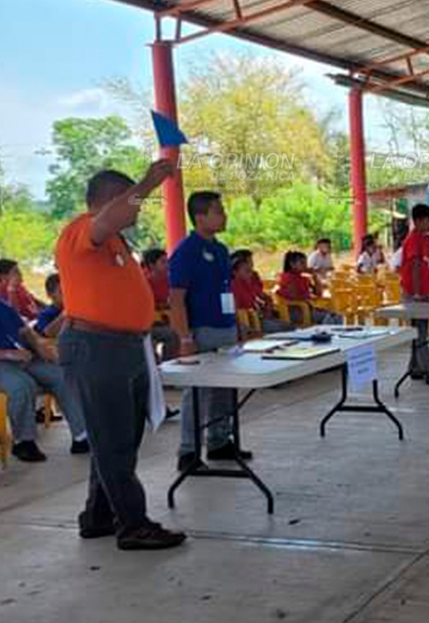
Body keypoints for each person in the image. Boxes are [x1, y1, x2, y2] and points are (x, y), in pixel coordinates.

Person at [56, 161, 187, 549]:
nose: (139, 208)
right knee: (114, 441)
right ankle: (133, 525)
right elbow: (114, 216)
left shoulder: (114, 243)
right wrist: (151, 179)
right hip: (97, 348)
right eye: (133, 201)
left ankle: (98, 516)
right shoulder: (81, 229)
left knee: (117, 439)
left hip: (124, 347)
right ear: (111, 200)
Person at [168, 191, 247, 473]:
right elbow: (176, 299)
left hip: (224, 327)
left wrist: (235, 324)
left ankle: (219, 440)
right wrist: (185, 337)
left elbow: (226, 290)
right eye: (219, 211)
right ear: (200, 217)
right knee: (198, 392)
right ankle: (188, 451)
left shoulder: (222, 250)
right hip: (201, 330)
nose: (224, 215)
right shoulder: (186, 252)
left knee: (225, 389)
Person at [1, 293, 89, 461]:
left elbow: (25, 330)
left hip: (23, 356)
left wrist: (39, 346)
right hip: (5, 360)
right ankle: (23, 442)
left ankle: (82, 436)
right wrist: (7, 354)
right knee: (22, 385)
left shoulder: (3, 306)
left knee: (61, 375)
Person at [399, 204, 429, 387]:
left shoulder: (427, 239)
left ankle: (414, 368)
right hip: (413, 294)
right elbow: (416, 267)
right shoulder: (413, 240)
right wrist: (417, 293)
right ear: (418, 221)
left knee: (420, 331)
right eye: (428, 220)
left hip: (425, 294)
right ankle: (428, 370)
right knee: (420, 334)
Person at [230, 252, 291, 335]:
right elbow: (236, 312)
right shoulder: (232, 286)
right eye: (247, 270)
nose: (251, 273)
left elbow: (263, 297)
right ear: (235, 272)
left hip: (256, 318)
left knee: (287, 326)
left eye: (251, 268)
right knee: (279, 329)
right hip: (247, 320)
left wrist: (267, 311)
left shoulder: (250, 281)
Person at [276, 252, 340, 324]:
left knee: (338, 316)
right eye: (302, 263)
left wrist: (314, 276)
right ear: (292, 264)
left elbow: (318, 293)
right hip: (295, 311)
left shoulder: (303, 278)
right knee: (329, 317)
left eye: (305, 263)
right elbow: (294, 296)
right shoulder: (287, 277)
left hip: (307, 309)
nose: (305, 266)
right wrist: (308, 301)